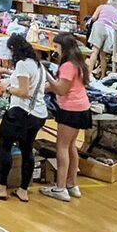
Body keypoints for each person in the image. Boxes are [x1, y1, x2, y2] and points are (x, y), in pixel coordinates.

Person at [0, 34, 48, 203]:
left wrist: (7, 88)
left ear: (12, 49)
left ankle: (0, 186)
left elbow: (24, 92)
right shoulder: (38, 65)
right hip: (38, 114)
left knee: (5, 145)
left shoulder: (23, 65)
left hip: (21, 112)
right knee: (27, 149)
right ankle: (23, 190)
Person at [42, 34, 94, 202]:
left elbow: (61, 89)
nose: (55, 51)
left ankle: (60, 187)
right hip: (82, 108)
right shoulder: (79, 63)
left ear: (63, 47)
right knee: (72, 146)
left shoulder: (66, 66)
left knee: (62, 147)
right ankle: (72, 184)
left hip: (70, 109)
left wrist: (47, 74)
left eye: (56, 47)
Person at [85, 0, 117, 75]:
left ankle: (88, 75)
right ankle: (102, 76)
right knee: (103, 55)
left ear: (108, 2)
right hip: (110, 31)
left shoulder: (102, 6)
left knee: (94, 52)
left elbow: (93, 18)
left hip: (99, 26)